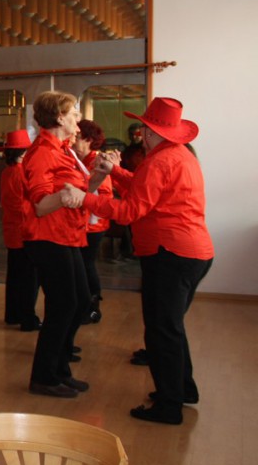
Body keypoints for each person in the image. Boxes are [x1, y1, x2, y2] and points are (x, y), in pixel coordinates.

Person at [62, 98, 213, 425]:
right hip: (190, 252)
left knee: (162, 330)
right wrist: (115, 172)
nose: (141, 133)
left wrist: (85, 198)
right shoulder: (178, 155)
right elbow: (146, 190)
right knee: (171, 327)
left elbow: (130, 211)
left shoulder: (160, 161)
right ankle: (182, 390)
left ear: (153, 132)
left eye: (145, 128)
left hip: (170, 253)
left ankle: (169, 405)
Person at [22, 92, 90, 398]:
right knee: (64, 306)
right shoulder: (42, 153)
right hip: (47, 237)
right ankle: (45, 376)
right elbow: (40, 205)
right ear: (59, 117)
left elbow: (78, 192)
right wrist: (64, 196)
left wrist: (97, 178)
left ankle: (60, 370)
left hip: (66, 234)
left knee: (78, 303)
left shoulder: (63, 150)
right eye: (74, 113)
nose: (78, 120)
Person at [0, 129, 41, 331]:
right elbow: (27, 204)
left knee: (15, 276)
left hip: (11, 230)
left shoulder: (7, 172)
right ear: (23, 153)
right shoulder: (21, 173)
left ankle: (13, 314)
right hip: (26, 231)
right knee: (29, 279)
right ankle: (27, 318)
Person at [71, 119, 112, 325]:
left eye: (78, 137)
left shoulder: (97, 161)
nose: (73, 141)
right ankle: (85, 306)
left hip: (93, 225)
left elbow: (104, 194)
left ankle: (92, 307)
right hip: (83, 223)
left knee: (86, 265)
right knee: (83, 266)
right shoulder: (80, 160)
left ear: (88, 140)